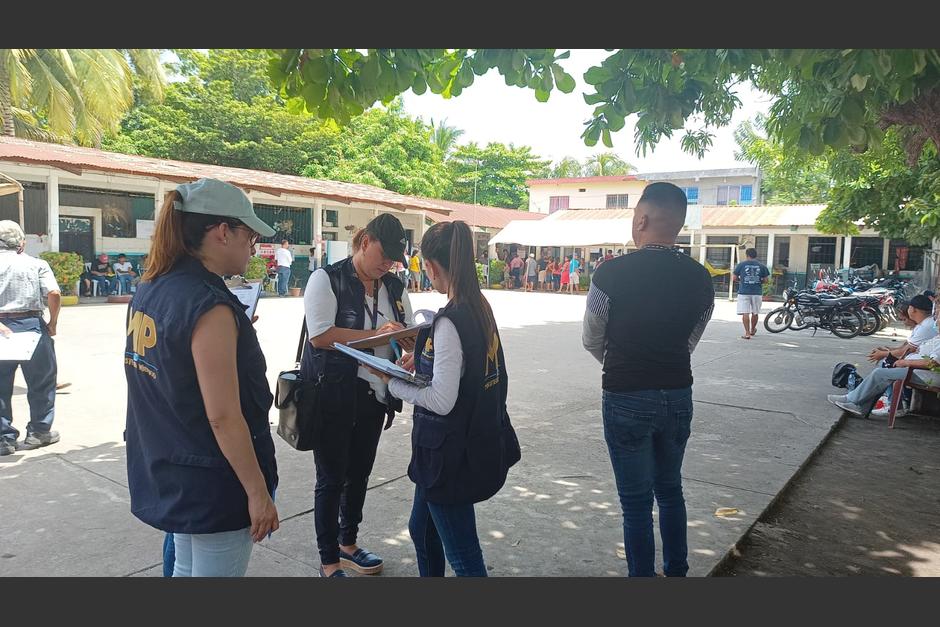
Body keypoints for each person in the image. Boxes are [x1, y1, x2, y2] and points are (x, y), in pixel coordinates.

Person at [123, 179, 279, 577]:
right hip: (213, 482)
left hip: (173, 467)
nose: (253, 245)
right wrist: (258, 492)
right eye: (248, 234)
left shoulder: (152, 286)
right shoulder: (209, 306)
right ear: (222, 232)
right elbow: (223, 417)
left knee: (185, 571)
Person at [369, 220, 520, 576]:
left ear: (433, 266)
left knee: (465, 558)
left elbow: (441, 400)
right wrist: (422, 363)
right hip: (462, 445)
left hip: (449, 454)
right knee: (422, 531)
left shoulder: (450, 320)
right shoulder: (478, 306)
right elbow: (464, 371)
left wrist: (392, 381)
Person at [582, 182, 714, 577]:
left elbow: (591, 337)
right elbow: (692, 337)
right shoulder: (701, 278)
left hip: (625, 392)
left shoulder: (611, 273)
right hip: (677, 391)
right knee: (670, 490)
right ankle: (676, 572)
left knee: (636, 502)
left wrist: (623, 359)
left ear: (641, 219)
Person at [302, 213, 415, 578]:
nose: (388, 264)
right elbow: (321, 336)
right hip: (332, 393)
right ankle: (328, 559)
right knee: (331, 477)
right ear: (364, 241)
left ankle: (348, 544)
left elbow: (405, 334)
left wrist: (411, 343)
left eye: (394, 259)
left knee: (360, 473)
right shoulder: (326, 279)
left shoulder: (394, 287)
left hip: (375, 393)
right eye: (383, 255)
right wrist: (380, 336)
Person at [0, 221, 61, 456]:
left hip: (1, 327)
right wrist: (52, 323)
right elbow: (53, 293)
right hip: (31, 325)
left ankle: (4, 439)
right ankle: (39, 432)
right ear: (21, 243)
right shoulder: (36, 264)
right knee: (42, 382)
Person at [830, 295, 937, 415]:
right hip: (916, 369)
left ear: (912, 309)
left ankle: (853, 400)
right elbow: (909, 349)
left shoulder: (927, 326)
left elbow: (930, 361)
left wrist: (903, 361)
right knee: (885, 365)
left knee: (881, 371)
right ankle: (860, 404)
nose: (936, 317)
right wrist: (890, 352)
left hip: (921, 372)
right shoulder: (927, 325)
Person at [733, 248, 770, 339]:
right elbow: (766, 280)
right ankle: (753, 329)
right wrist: (758, 282)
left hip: (744, 292)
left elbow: (734, 278)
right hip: (757, 292)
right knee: (755, 312)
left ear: (747, 255)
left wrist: (741, 281)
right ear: (756, 255)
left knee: (745, 313)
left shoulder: (741, 265)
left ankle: (747, 333)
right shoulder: (762, 266)